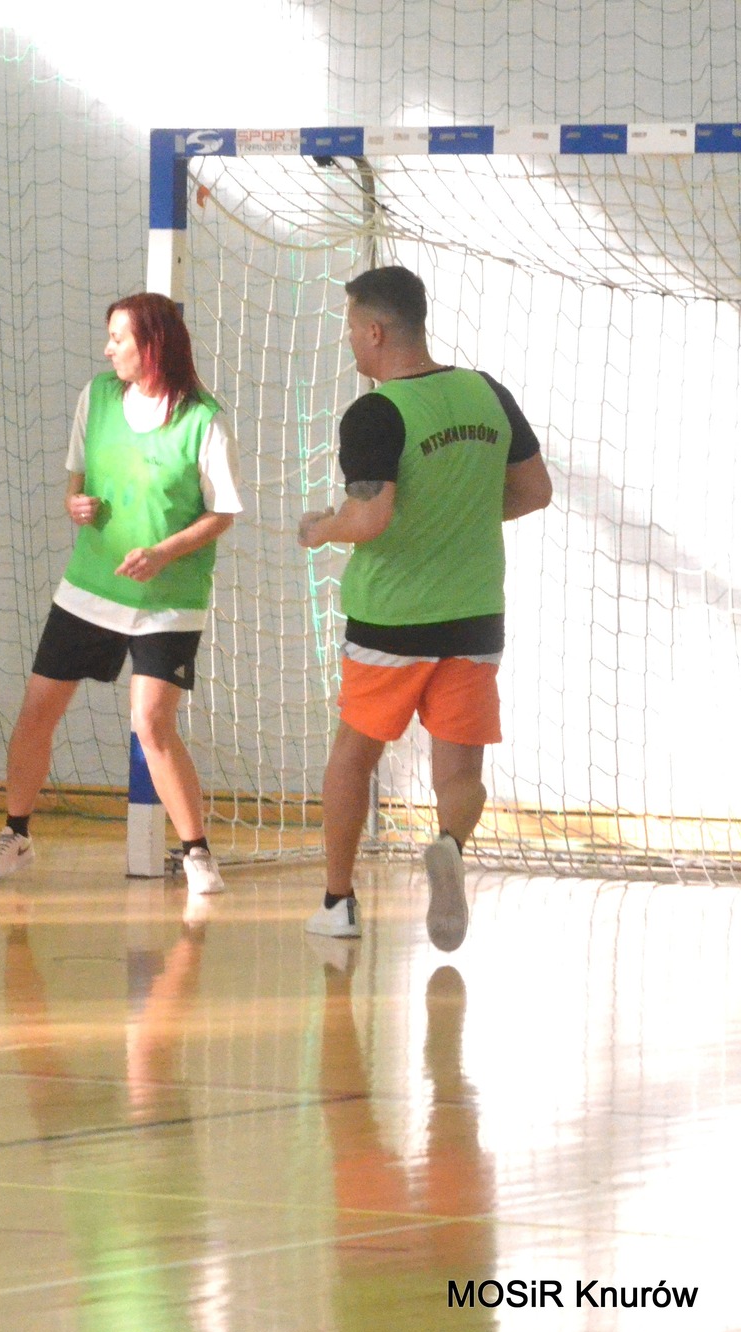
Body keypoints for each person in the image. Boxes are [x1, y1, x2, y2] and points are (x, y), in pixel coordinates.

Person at [299, 265, 551, 951]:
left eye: (353, 327)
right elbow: (535, 491)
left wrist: (322, 528)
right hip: (474, 617)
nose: (350, 340)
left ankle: (338, 902)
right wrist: (462, 513)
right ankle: (448, 844)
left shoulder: (376, 413)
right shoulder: (486, 392)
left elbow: (371, 517)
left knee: (354, 756)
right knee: (460, 772)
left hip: (391, 623)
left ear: (377, 332)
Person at [0, 293, 242, 910]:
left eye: (118, 338)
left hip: (167, 598)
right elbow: (76, 480)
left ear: (152, 345)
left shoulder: (203, 419)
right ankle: (16, 834)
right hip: (89, 589)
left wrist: (163, 552)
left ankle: (196, 851)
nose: (107, 349)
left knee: (151, 723)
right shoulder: (95, 397)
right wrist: (75, 503)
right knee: (37, 710)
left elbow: (223, 513)